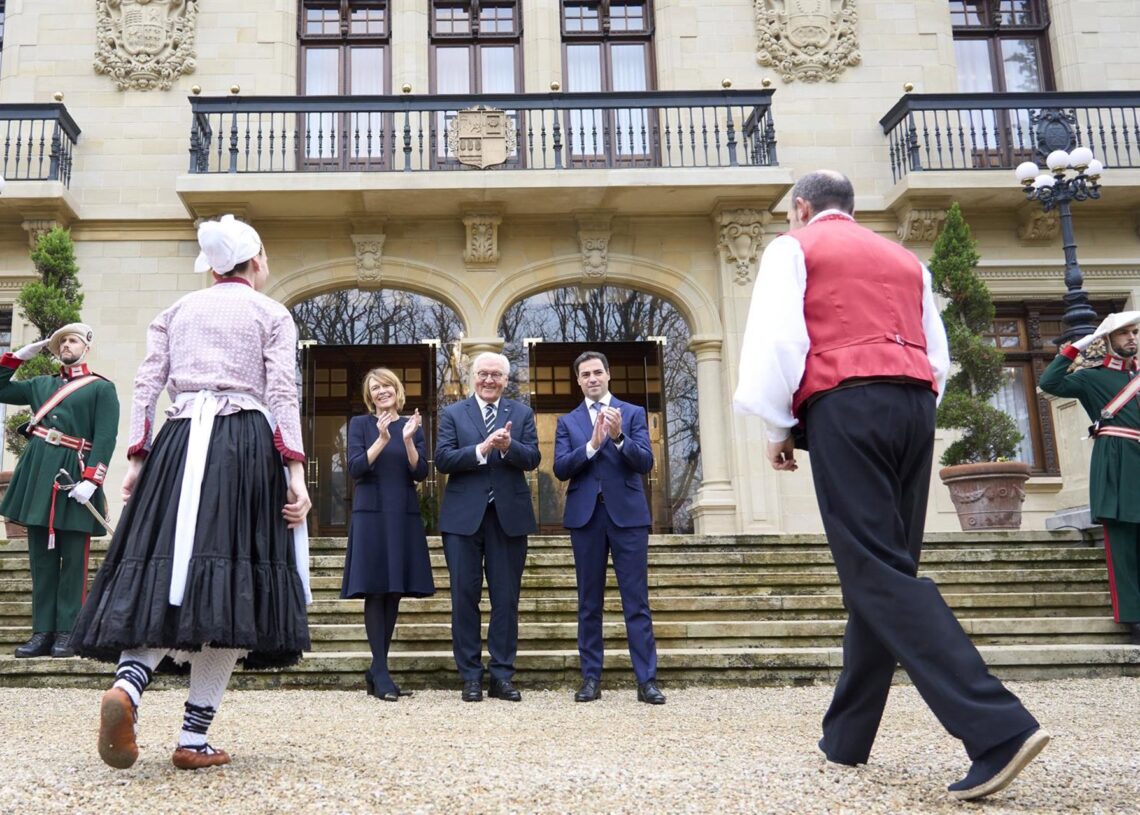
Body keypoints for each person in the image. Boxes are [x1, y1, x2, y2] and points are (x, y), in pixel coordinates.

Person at [733, 170, 1048, 801]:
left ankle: (996, 727)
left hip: (846, 402)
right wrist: (915, 402)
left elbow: (778, 339)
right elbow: (939, 353)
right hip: (913, 403)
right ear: (850, 207)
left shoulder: (792, 247)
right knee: (886, 566)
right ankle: (847, 738)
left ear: (801, 209)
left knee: (875, 570)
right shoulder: (905, 258)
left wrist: (777, 425)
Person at [70, 215, 312, 771]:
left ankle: (128, 688)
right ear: (255, 260)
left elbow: (146, 383)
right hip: (244, 443)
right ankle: (193, 737)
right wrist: (295, 473)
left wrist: (136, 459)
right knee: (236, 585)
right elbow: (281, 392)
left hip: (177, 444)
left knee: (163, 573)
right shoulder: (271, 313)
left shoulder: (175, 312)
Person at [0, 323, 119, 659]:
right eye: (62, 342)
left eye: (73, 340)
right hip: (37, 476)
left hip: (74, 477)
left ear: (86, 347)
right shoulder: (42, 385)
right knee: (41, 559)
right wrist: (15, 358)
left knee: (74, 562)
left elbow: (106, 437)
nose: (66, 345)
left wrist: (92, 480)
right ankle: (42, 633)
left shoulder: (101, 389)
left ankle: (69, 632)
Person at [553, 350, 663, 704]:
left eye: (597, 372)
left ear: (608, 374)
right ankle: (590, 679)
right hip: (586, 519)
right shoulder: (568, 422)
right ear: (579, 380)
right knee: (588, 603)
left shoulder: (631, 414)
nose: (592, 378)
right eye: (585, 374)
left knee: (636, 602)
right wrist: (592, 445)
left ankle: (646, 681)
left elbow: (645, 461)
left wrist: (618, 438)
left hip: (628, 517)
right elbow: (560, 468)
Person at [435, 351, 539, 702]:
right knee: (464, 599)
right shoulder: (452, 413)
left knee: (506, 601)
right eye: (483, 374)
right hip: (463, 520)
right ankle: (470, 677)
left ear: (506, 380)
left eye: (496, 374)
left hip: (508, 519)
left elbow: (534, 458)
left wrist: (510, 447)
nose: (489, 380)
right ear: (472, 378)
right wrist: (480, 449)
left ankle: (501, 676)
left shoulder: (522, 414)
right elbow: (444, 459)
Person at [1038, 311, 1140, 646]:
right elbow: (1049, 384)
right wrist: (1075, 349)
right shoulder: (1092, 378)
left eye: (1135, 332)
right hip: (1117, 461)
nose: (1132, 338)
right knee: (1123, 545)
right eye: (1124, 333)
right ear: (1109, 340)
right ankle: (1134, 618)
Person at [341, 368, 435, 701]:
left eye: (386, 386)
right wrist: (381, 440)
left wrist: (408, 439)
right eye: (375, 388)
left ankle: (377, 670)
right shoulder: (361, 424)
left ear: (397, 390)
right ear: (370, 396)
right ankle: (380, 672)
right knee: (375, 590)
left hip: (402, 512)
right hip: (370, 513)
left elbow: (420, 471)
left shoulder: (412, 424)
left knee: (394, 589)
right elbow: (355, 468)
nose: (382, 391)